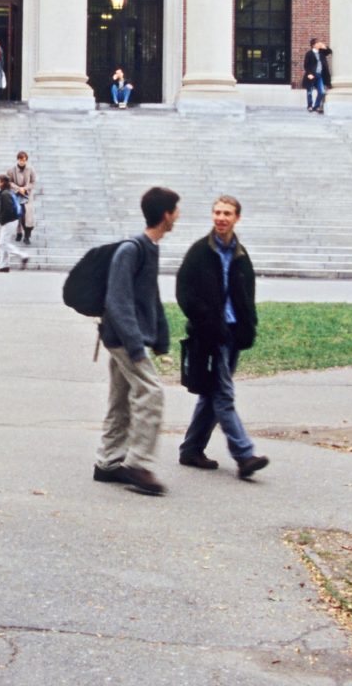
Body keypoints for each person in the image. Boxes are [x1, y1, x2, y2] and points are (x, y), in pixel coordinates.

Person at [174, 196, 269, 480]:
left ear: (237, 218)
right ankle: (244, 455)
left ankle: (191, 450)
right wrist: (204, 319)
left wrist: (248, 325)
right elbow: (184, 292)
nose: (221, 218)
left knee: (211, 393)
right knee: (223, 394)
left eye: (227, 213)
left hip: (233, 331)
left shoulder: (240, 254)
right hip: (209, 333)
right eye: (217, 212)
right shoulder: (199, 251)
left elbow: (247, 294)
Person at [93, 186, 179, 497]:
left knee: (121, 399)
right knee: (151, 392)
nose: (178, 216)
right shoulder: (131, 249)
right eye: (176, 210)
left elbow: (150, 297)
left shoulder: (149, 248)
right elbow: (117, 301)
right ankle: (139, 464)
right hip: (123, 339)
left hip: (129, 337)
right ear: (166, 215)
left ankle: (108, 462)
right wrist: (135, 345)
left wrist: (161, 340)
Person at [0, 173, 30, 272]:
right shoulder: (7, 192)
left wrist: (3, 220)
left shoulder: (5, 194)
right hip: (11, 220)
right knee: (4, 243)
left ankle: (23, 255)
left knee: (3, 244)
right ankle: (4, 266)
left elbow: (8, 208)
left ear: (2, 182)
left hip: (9, 221)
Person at [7, 150, 37, 244]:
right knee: (18, 214)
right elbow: (9, 182)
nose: (22, 162)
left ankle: (27, 235)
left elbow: (33, 182)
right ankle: (19, 233)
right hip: (16, 194)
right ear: (18, 159)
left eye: (24, 160)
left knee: (27, 216)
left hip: (27, 195)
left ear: (26, 160)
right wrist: (18, 188)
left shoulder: (30, 169)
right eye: (20, 160)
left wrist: (25, 188)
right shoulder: (12, 170)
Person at [302, 36, 328, 114]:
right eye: (317, 43)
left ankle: (316, 106)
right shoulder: (309, 54)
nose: (319, 43)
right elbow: (306, 65)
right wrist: (309, 74)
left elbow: (329, 51)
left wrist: (324, 46)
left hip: (319, 75)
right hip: (312, 75)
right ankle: (310, 106)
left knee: (322, 92)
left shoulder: (321, 53)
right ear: (313, 45)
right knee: (309, 91)